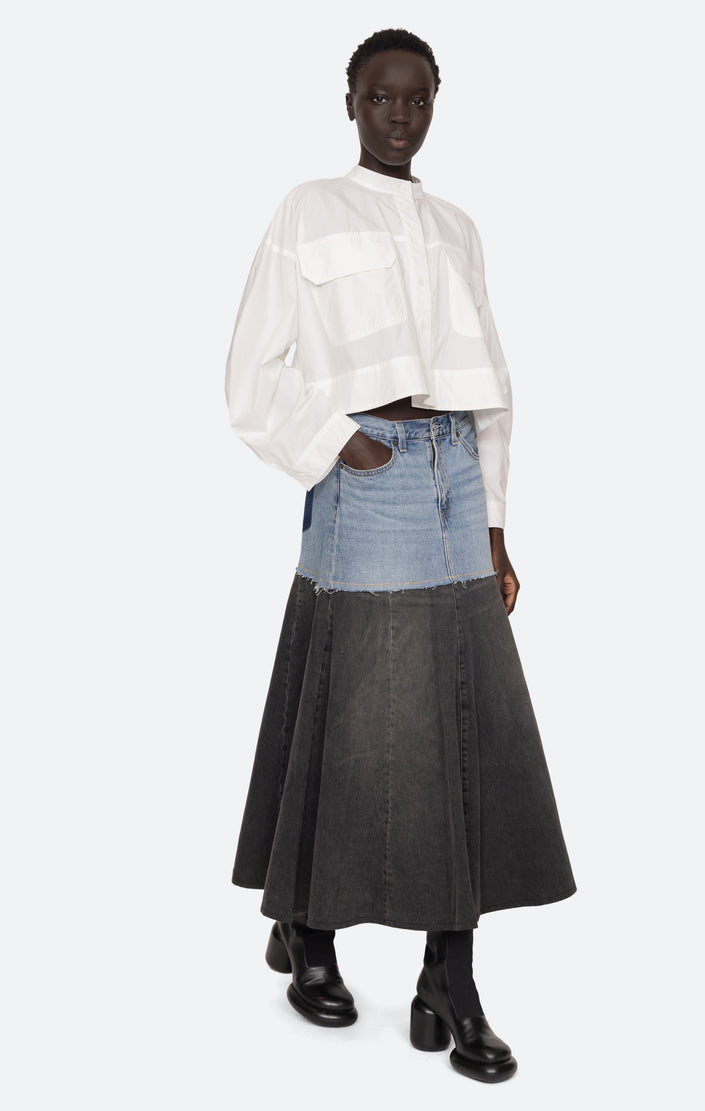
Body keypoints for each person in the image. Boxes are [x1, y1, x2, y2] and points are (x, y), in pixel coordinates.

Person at [224, 27, 577, 1084]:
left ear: (434, 104)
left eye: (415, 98)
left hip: (455, 471)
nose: (398, 116)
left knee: (467, 721)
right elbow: (251, 372)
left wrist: (495, 522)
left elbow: (491, 381)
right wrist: (344, 445)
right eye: (379, 97)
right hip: (369, 472)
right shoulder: (308, 211)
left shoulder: (457, 228)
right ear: (349, 102)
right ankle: (309, 926)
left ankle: (446, 977)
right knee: (360, 713)